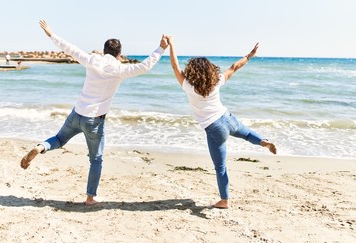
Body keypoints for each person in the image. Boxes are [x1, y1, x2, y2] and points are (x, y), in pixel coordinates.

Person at [21, 20, 169, 205]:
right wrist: (161, 48)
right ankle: (91, 197)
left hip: (77, 114)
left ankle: (41, 147)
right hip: (94, 122)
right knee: (96, 159)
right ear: (119, 54)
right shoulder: (120, 69)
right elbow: (145, 66)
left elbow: (70, 49)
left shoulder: (92, 60)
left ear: (104, 50)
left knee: (59, 139)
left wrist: (51, 34)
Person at [167, 36, 276, 209]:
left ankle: (224, 200)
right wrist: (249, 55)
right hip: (227, 118)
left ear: (192, 71)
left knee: (220, 167)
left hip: (214, 128)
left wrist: (171, 45)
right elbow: (234, 67)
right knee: (247, 134)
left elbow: (174, 66)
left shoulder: (188, 86)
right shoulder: (216, 80)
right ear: (209, 70)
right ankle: (263, 141)